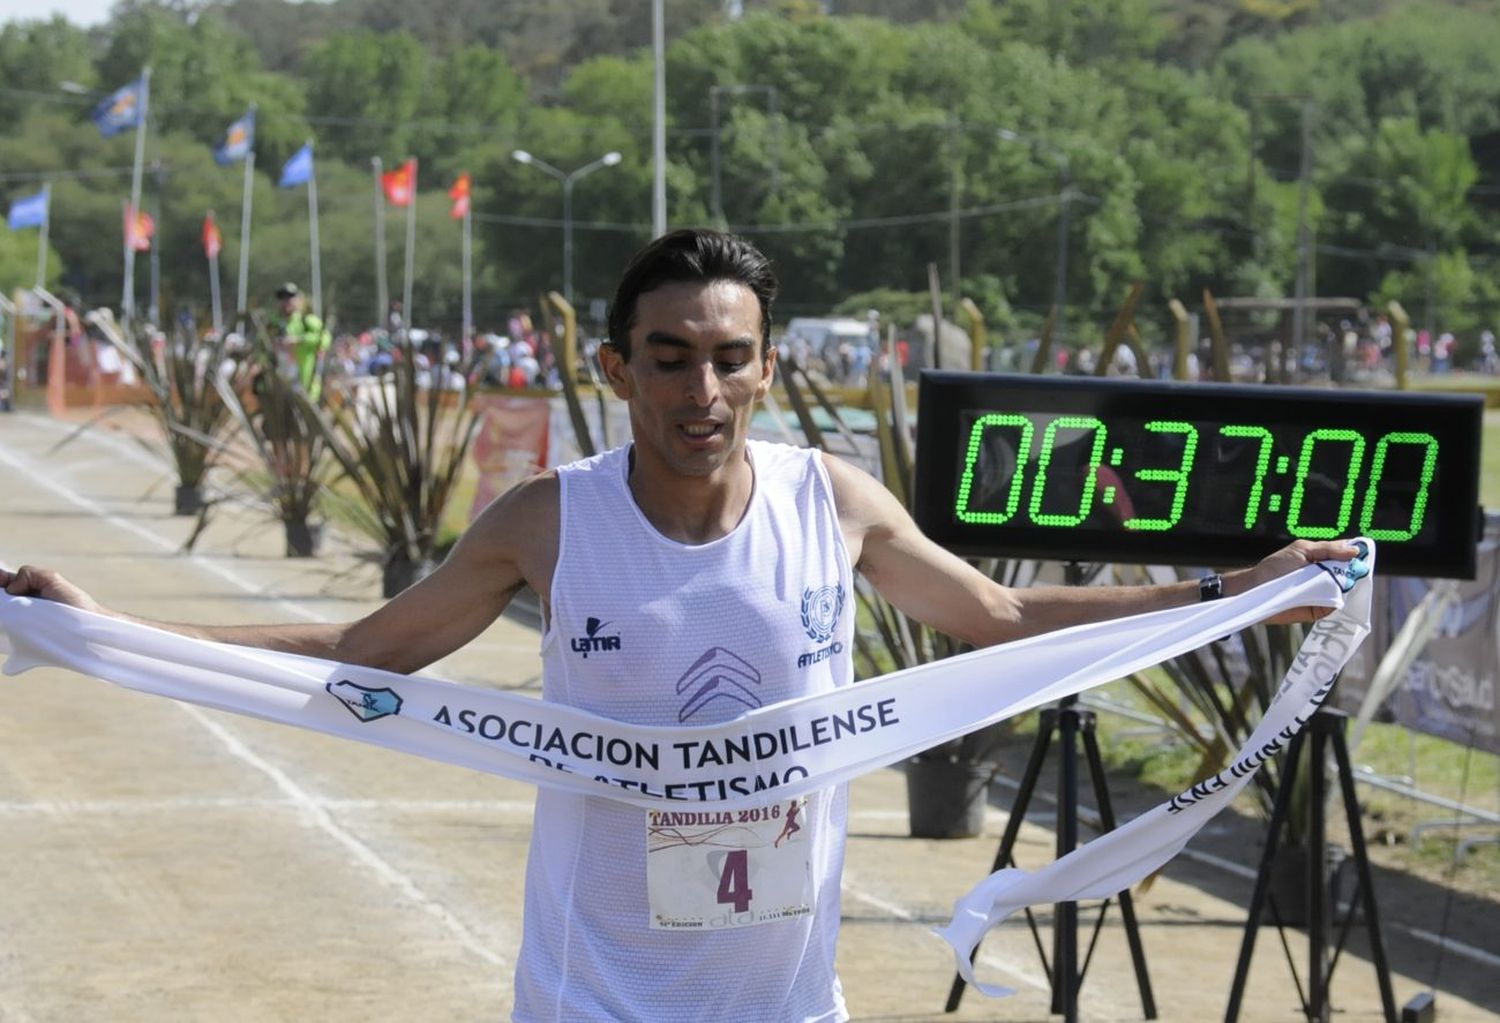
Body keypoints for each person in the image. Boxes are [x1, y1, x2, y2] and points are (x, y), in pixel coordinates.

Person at [2, 228, 1356, 1022]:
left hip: (783, 995)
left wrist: (1228, 591)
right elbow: (370, 656)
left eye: (729, 356)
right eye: (669, 356)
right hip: (594, 990)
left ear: (766, 364)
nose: (701, 387)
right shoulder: (545, 520)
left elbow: (995, 612)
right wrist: (108, 621)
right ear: (616, 366)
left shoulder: (831, 499)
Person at [272, 282, 332, 400]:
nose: (286, 301)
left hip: (306, 384)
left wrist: (299, 340)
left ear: (299, 299)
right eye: (282, 298)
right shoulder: (273, 323)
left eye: (290, 297)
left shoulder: (307, 320)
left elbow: (325, 338)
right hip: (279, 386)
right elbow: (261, 345)